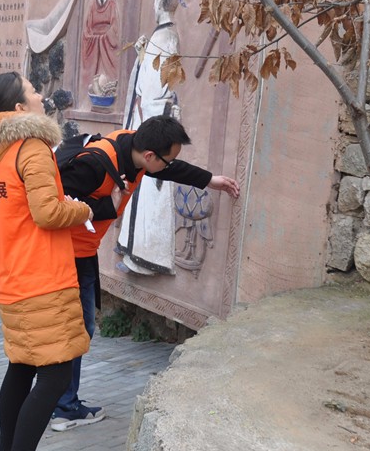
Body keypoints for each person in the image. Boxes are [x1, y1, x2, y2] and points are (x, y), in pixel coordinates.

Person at [54, 115, 240, 431]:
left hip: (83, 253)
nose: (169, 165)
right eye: (168, 158)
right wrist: (110, 206)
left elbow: (169, 169)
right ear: (150, 155)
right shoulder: (94, 164)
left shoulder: (134, 146)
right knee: (75, 330)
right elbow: (55, 205)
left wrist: (210, 180)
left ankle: (60, 401)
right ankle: (62, 407)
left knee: (79, 329)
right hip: (65, 256)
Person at [0, 71, 92, 451]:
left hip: (13, 276)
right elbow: (48, 213)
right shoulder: (30, 146)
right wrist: (83, 210)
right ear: (19, 108)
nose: (40, 95)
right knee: (55, 374)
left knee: (22, 367)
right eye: (34, 91)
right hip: (41, 277)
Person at [119, 0, 187, 274]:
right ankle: (135, 252)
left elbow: (151, 90)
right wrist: (142, 55)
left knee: (150, 189)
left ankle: (146, 258)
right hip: (152, 119)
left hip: (152, 122)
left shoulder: (165, 37)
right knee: (143, 188)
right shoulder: (165, 36)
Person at [80, 0, 122, 101]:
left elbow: (115, 30)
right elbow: (87, 32)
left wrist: (102, 38)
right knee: (94, 84)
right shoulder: (92, 5)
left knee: (106, 83)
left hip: (107, 51)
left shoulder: (112, 3)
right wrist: (95, 39)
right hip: (95, 51)